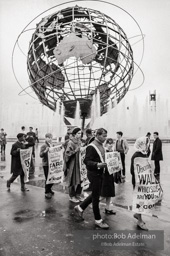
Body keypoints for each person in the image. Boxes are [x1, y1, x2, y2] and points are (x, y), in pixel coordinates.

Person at [74, 128, 109, 229]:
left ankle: (80, 208)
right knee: (95, 198)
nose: (105, 138)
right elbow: (86, 161)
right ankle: (98, 220)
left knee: (95, 194)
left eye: (106, 136)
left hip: (100, 173)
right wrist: (97, 165)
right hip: (94, 174)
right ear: (97, 135)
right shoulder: (91, 146)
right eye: (103, 136)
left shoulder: (101, 145)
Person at [130, 136, 148, 230]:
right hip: (139, 182)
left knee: (142, 199)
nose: (147, 145)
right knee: (140, 200)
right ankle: (139, 221)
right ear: (141, 144)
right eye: (146, 143)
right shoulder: (136, 155)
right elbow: (132, 171)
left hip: (144, 181)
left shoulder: (143, 153)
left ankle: (138, 215)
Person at [64, 127, 83, 203]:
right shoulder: (70, 142)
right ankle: (72, 196)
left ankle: (78, 194)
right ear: (74, 134)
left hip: (80, 163)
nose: (80, 135)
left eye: (80, 133)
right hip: (73, 164)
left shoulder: (80, 142)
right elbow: (67, 153)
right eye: (78, 133)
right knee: (72, 179)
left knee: (81, 179)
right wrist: (75, 151)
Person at [100, 138, 116, 214]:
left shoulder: (112, 152)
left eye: (112, 143)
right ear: (106, 144)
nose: (110, 145)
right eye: (109, 143)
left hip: (110, 173)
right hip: (105, 173)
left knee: (109, 192)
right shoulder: (104, 151)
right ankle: (93, 203)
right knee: (104, 192)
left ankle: (107, 208)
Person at [40, 133, 55, 199]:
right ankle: (47, 191)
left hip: (51, 164)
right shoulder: (44, 145)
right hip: (46, 164)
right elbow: (40, 155)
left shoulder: (52, 145)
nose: (50, 139)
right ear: (46, 138)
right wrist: (45, 151)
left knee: (52, 178)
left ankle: (49, 189)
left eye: (51, 137)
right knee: (48, 178)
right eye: (49, 137)